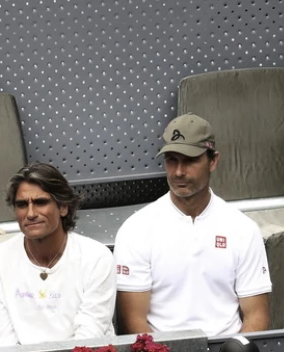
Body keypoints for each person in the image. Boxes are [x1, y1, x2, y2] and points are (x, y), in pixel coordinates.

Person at [114, 114, 272, 337]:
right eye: (172, 160)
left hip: (228, 351)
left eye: (190, 161)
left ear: (213, 161)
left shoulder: (243, 229)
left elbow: (256, 316)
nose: (179, 171)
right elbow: (132, 321)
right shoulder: (135, 230)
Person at [0, 163, 116, 346]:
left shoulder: (96, 257)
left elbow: (90, 335)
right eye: (21, 205)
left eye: (40, 202)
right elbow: (4, 340)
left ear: (63, 207)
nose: (30, 213)